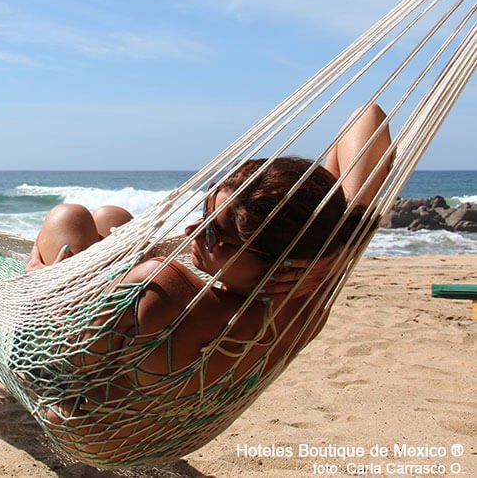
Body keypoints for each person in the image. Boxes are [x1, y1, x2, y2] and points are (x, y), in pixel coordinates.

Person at [22, 104, 392, 455]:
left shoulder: (163, 285)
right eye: (204, 214)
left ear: (279, 264)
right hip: (169, 437)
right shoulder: (307, 303)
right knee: (111, 217)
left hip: (89, 429)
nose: (191, 231)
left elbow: (65, 362)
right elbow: (368, 118)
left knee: (69, 217)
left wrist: (44, 282)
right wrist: (343, 245)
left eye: (214, 234)